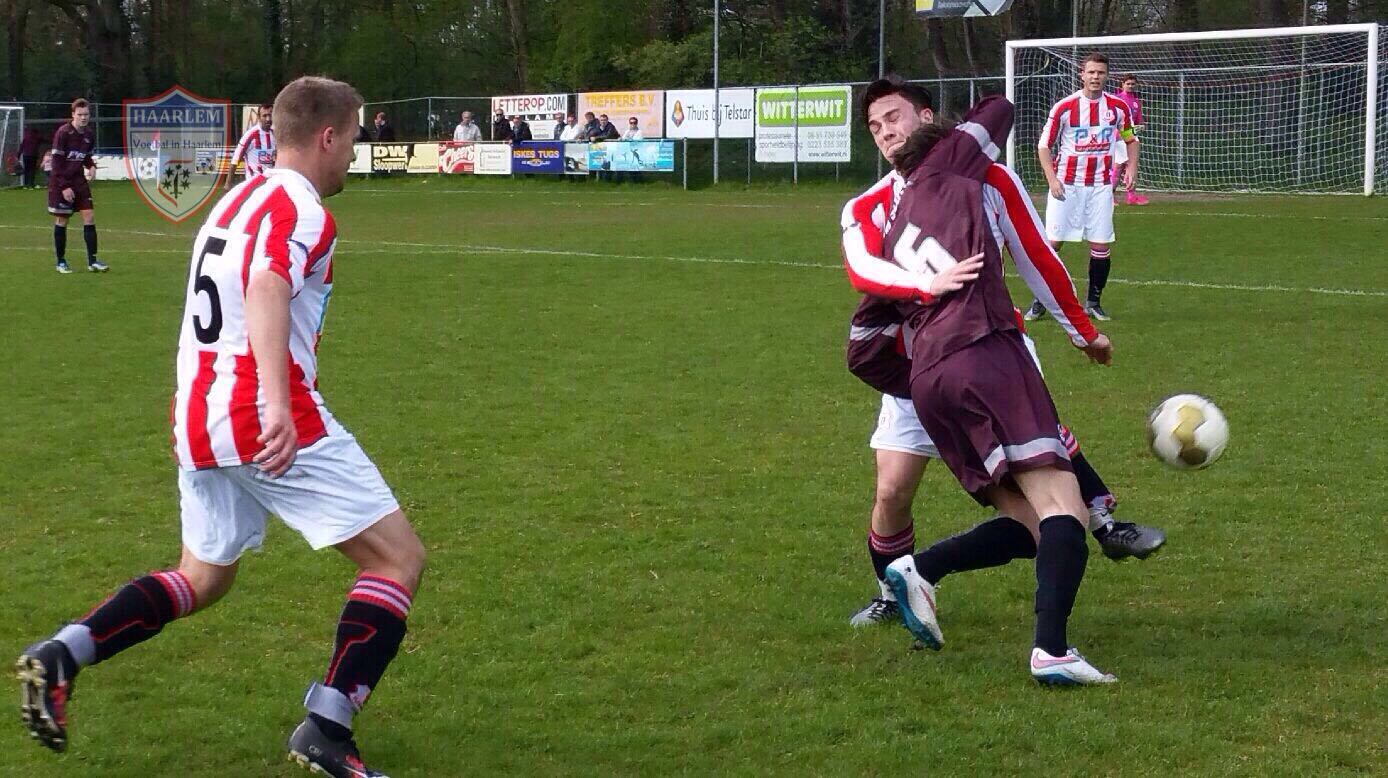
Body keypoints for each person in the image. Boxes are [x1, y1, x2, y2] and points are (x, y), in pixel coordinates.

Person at [15, 75, 426, 777]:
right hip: (260, 413)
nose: (353, 153)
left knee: (202, 577)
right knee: (397, 559)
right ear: (326, 136)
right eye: (352, 138)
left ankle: (64, 651)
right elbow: (268, 285)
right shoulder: (302, 210)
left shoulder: (236, 198)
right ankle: (327, 725)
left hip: (197, 414)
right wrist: (274, 403)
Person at [843, 77, 1164, 631]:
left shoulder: (990, 178)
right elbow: (862, 271)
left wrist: (1081, 331)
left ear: (925, 117)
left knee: (1044, 462)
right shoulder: (867, 206)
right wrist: (925, 285)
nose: (885, 133)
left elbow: (1035, 256)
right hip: (915, 368)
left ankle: (1103, 522)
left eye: (893, 117)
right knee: (893, 490)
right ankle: (895, 589)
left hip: (993, 346)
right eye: (874, 127)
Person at [1024, 52, 1138, 323]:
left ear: (1107, 75)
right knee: (1053, 244)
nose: (1095, 77)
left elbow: (1131, 140)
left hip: (1100, 187)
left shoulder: (1117, 109)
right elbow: (1043, 146)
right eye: (1091, 72)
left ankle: (1093, 303)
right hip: (1067, 187)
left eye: (1100, 72)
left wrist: (1131, 168)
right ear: (1082, 75)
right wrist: (1052, 179)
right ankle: (1041, 300)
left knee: (1100, 245)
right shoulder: (1064, 107)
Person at [46, 98, 107, 274]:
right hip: (61, 182)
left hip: (79, 182)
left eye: (86, 114)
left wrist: (91, 166)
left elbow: (85, 156)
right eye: (80, 114)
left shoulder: (88, 134)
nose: (83, 118)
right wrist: (64, 187)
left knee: (89, 216)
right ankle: (61, 261)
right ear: (73, 114)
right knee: (62, 220)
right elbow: (56, 164)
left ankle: (93, 261)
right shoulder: (63, 133)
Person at [1113, 74, 1149, 206]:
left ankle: (1131, 196)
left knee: (1131, 166)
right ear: (1122, 85)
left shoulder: (1136, 102)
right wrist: (1118, 133)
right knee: (1118, 166)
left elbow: (1140, 122)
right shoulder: (1116, 99)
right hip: (1119, 137)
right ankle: (1110, 196)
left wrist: (1138, 128)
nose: (1130, 86)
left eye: (1133, 84)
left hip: (1131, 135)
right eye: (1128, 84)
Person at [226, 102, 275, 188]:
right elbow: (236, 158)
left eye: (270, 115)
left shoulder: (276, 134)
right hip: (253, 184)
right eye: (264, 116)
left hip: (270, 184)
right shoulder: (251, 134)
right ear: (259, 117)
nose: (268, 119)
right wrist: (228, 183)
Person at [20, 122, 43, 188]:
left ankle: (26, 184)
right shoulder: (37, 138)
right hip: (33, 155)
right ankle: (31, 184)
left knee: (26, 169)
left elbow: (21, 147)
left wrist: (18, 156)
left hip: (26, 155)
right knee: (32, 170)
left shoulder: (26, 138)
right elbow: (44, 140)